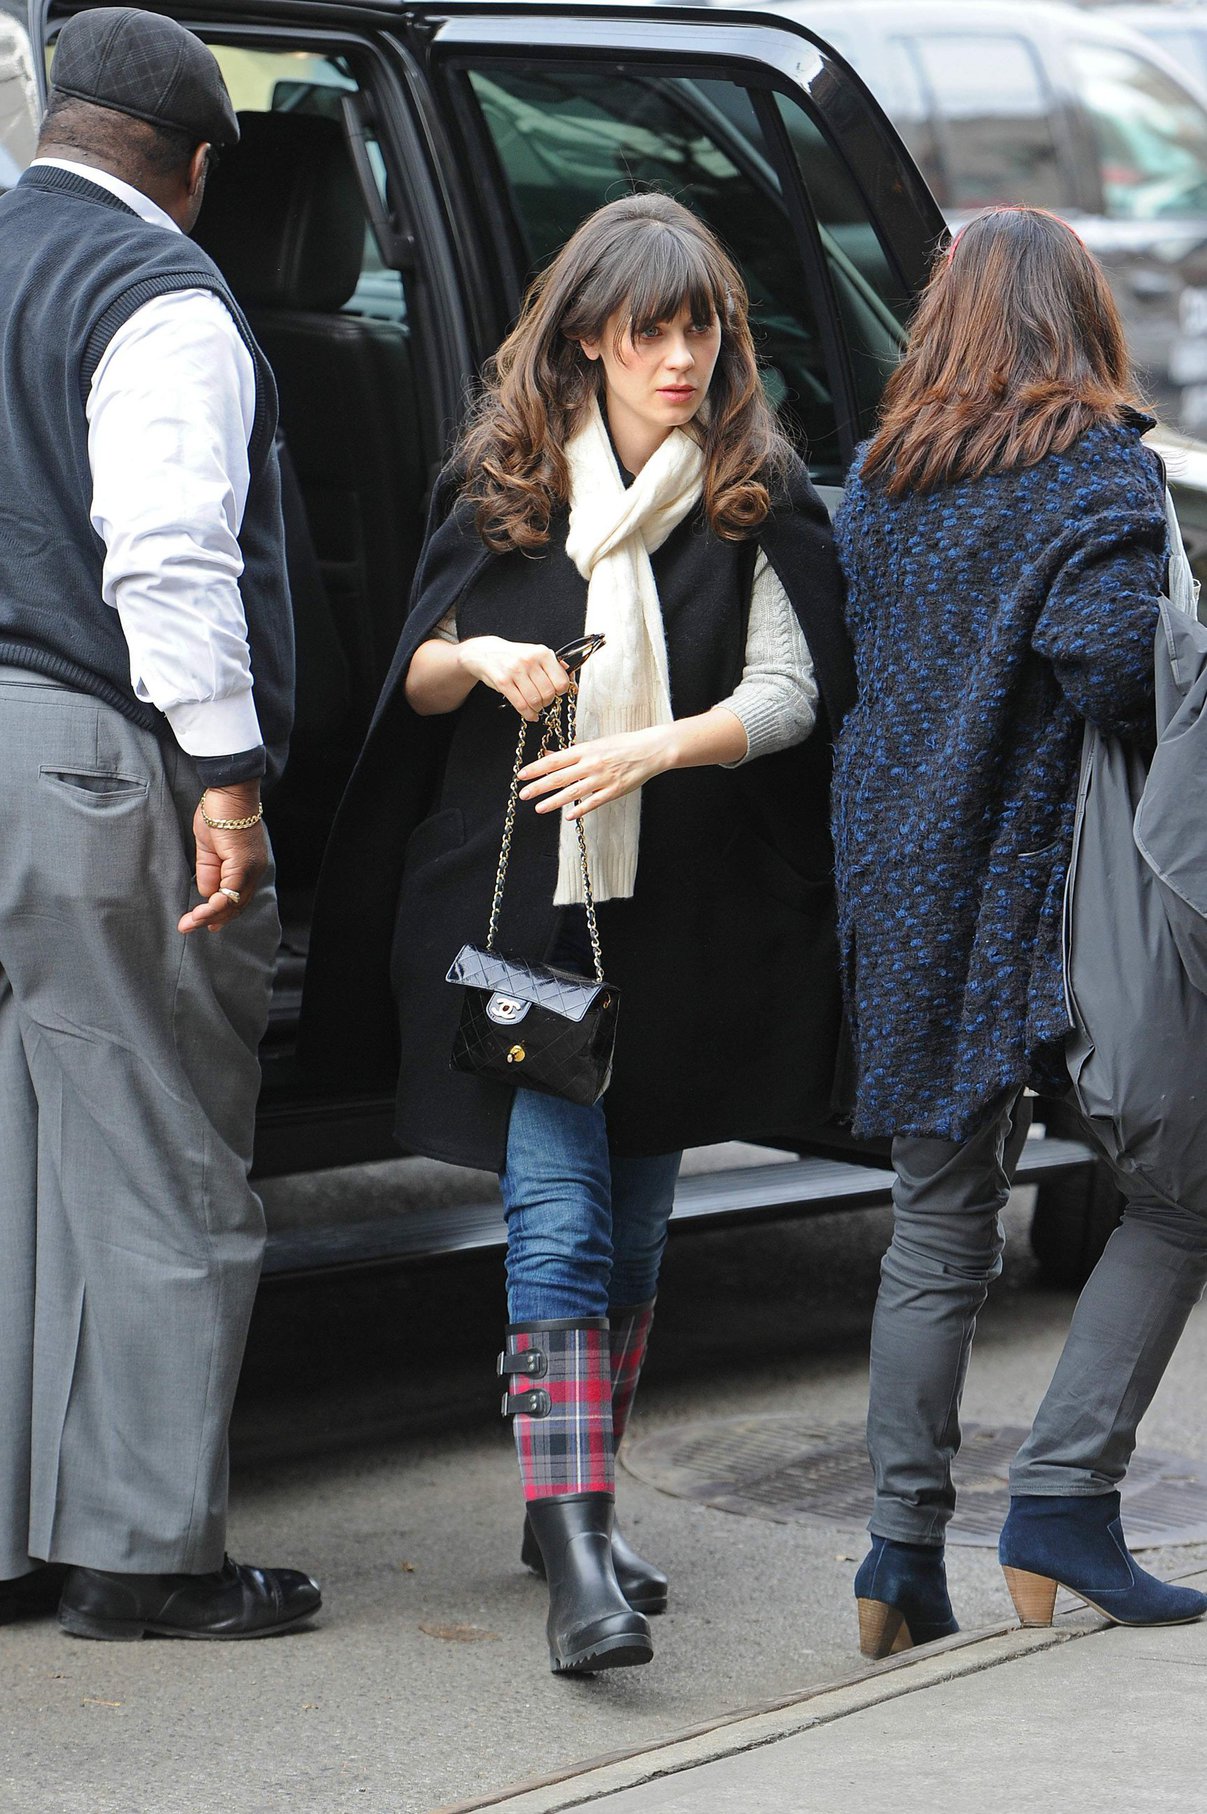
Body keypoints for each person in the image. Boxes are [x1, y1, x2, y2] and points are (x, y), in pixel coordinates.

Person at [301, 192, 854, 1674]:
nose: (679, 357)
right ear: (590, 339)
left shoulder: (752, 491)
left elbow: (793, 696)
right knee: (556, 1215)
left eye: (701, 328)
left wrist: (648, 749)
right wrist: (482, 654)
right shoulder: (507, 488)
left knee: (641, 1230)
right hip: (524, 914)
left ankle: (577, 1502)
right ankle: (572, 1549)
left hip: (677, 919)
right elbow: (409, 680)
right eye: (649, 330)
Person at [833, 205, 1207, 1659]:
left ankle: (897, 1551)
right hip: (1051, 888)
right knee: (1180, 1191)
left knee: (936, 1218)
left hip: (908, 878)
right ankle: (1061, 1499)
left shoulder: (880, 476)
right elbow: (1113, 666)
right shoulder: (1095, 472)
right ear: (1081, 325)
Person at [0, 8, 319, 1640]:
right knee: (159, 1153)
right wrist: (229, 782)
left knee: (14, 1163)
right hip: (99, 759)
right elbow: (169, 558)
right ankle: (141, 1554)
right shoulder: (164, 296)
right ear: (196, 169)